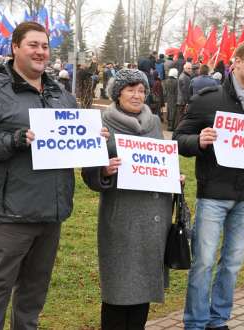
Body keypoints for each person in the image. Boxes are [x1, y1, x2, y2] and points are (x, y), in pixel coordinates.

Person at [0, 22, 91, 330]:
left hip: (52, 209)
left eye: (44, 46)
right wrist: (13, 140)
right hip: (11, 210)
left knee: (34, 292)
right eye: (33, 45)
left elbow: (76, 145)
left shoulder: (60, 93)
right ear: (15, 47)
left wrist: (97, 140)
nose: (41, 51)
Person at [173, 40, 244, 330]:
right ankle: (196, 323)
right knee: (204, 263)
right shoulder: (207, 99)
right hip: (213, 195)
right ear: (236, 61)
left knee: (233, 264)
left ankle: (218, 320)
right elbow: (178, 139)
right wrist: (198, 141)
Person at [81, 69, 172, 329]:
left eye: (141, 90)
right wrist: (103, 170)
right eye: (130, 89)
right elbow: (89, 174)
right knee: (119, 288)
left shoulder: (154, 122)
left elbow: (160, 160)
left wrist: (172, 176)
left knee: (144, 287)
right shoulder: (102, 124)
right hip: (121, 217)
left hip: (154, 216)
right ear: (117, 93)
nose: (137, 95)